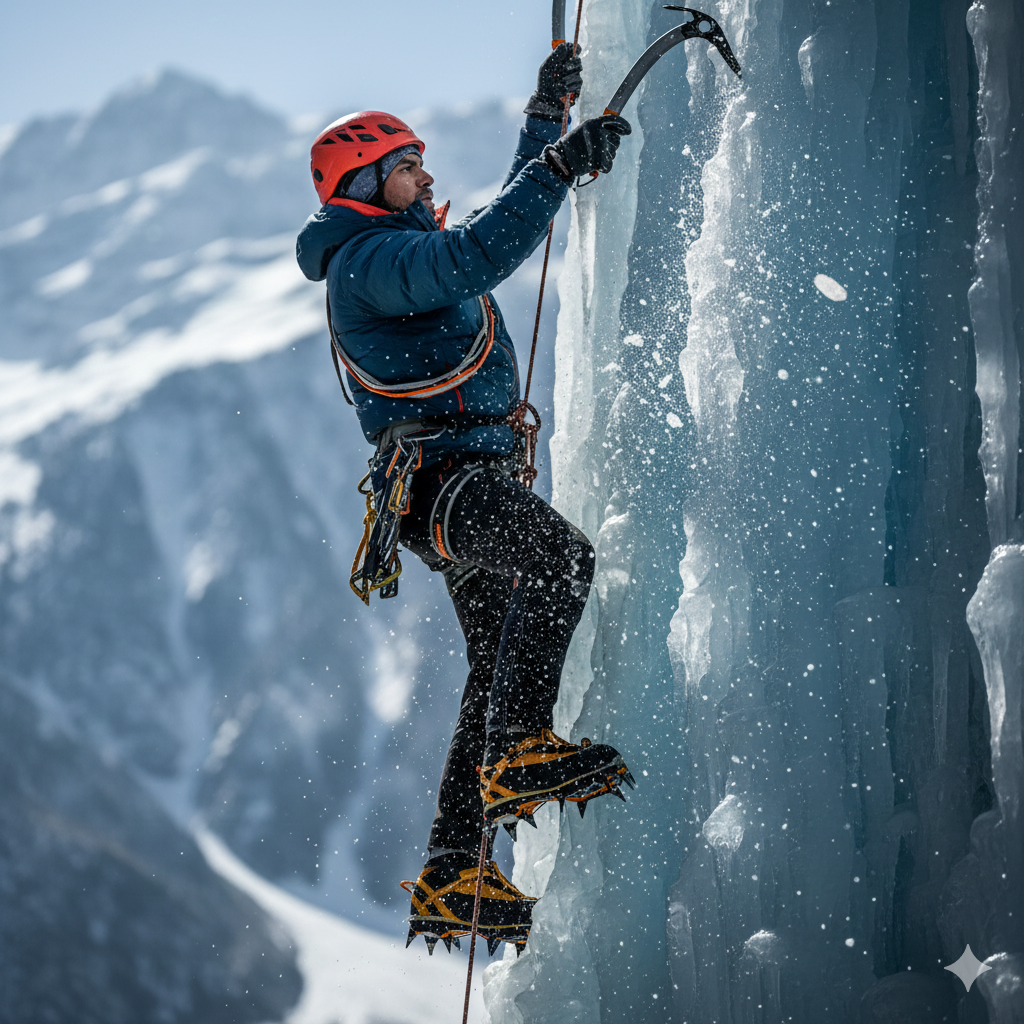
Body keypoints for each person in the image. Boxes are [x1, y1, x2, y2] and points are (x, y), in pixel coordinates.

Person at [296, 44, 635, 956]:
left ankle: (454, 865)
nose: (424, 172)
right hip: (447, 485)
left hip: (450, 489)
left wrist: (544, 121)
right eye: (407, 165)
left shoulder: (392, 248)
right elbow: (479, 254)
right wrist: (559, 166)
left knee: (495, 657)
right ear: (366, 182)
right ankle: (522, 748)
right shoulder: (367, 262)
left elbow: (484, 226)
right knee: (562, 563)